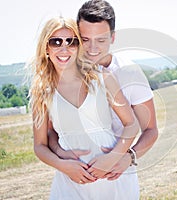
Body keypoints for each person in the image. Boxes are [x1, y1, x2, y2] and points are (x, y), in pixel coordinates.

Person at [29, 16, 140, 199]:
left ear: (78, 46)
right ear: (46, 48)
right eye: (56, 42)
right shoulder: (42, 93)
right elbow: (40, 146)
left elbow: (132, 124)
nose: (64, 48)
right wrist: (63, 165)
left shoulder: (101, 78)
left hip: (112, 178)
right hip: (71, 182)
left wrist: (112, 158)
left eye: (71, 42)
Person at [49, 0, 158, 182]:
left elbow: (151, 130)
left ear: (113, 38)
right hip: (75, 177)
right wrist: (61, 157)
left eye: (101, 40)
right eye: (85, 40)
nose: (92, 49)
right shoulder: (63, 72)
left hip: (116, 175)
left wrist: (128, 157)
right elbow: (50, 133)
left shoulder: (129, 73)